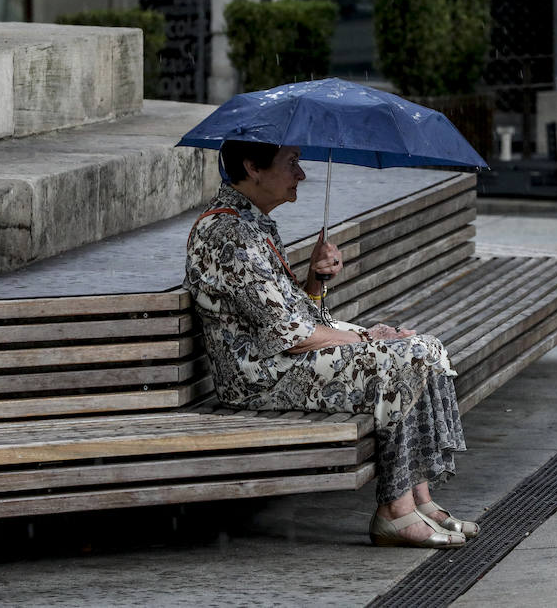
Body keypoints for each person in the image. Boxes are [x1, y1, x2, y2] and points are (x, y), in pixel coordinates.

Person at [184, 140, 476, 548]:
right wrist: (368, 339)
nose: (301, 174)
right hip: (259, 378)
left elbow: (289, 318)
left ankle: (419, 499)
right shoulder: (229, 234)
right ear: (252, 167)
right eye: (292, 163)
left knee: (422, 350)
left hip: (280, 360)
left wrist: (315, 282)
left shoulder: (251, 224)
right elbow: (292, 335)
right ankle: (395, 511)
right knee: (405, 358)